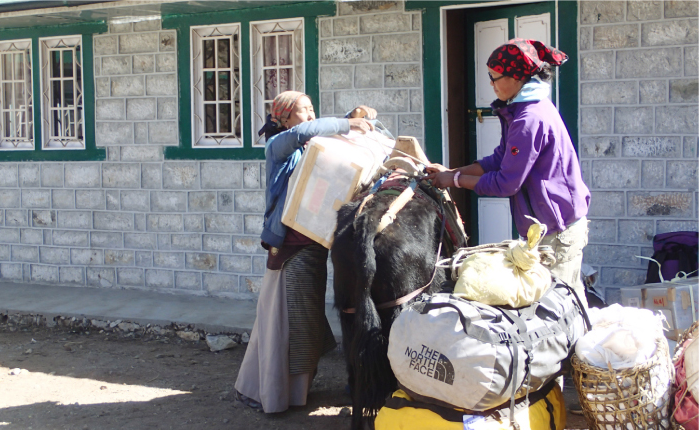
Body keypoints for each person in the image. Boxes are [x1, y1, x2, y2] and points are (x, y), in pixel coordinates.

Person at [234, 91, 378, 413]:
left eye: (313, 108)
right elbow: (307, 132)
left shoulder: (309, 149)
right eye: (303, 110)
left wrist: (350, 118)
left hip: (313, 248)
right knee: (291, 327)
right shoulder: (279, 147)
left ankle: (296, 391)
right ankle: (278, 395)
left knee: (307, 324)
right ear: (284, 118)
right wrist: (346, 122)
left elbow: (321, 137)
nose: (311, 115)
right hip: (290, 251)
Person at [426, 38, 591, 306]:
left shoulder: (530, 118)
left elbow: (506, 183)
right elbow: (499, 160)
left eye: (495, 77)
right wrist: (452, 171)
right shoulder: (519, 111)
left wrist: (454, 180)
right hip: (543, 227)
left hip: (558, 230)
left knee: (559, 308)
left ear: (517, 76)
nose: (491, 84)